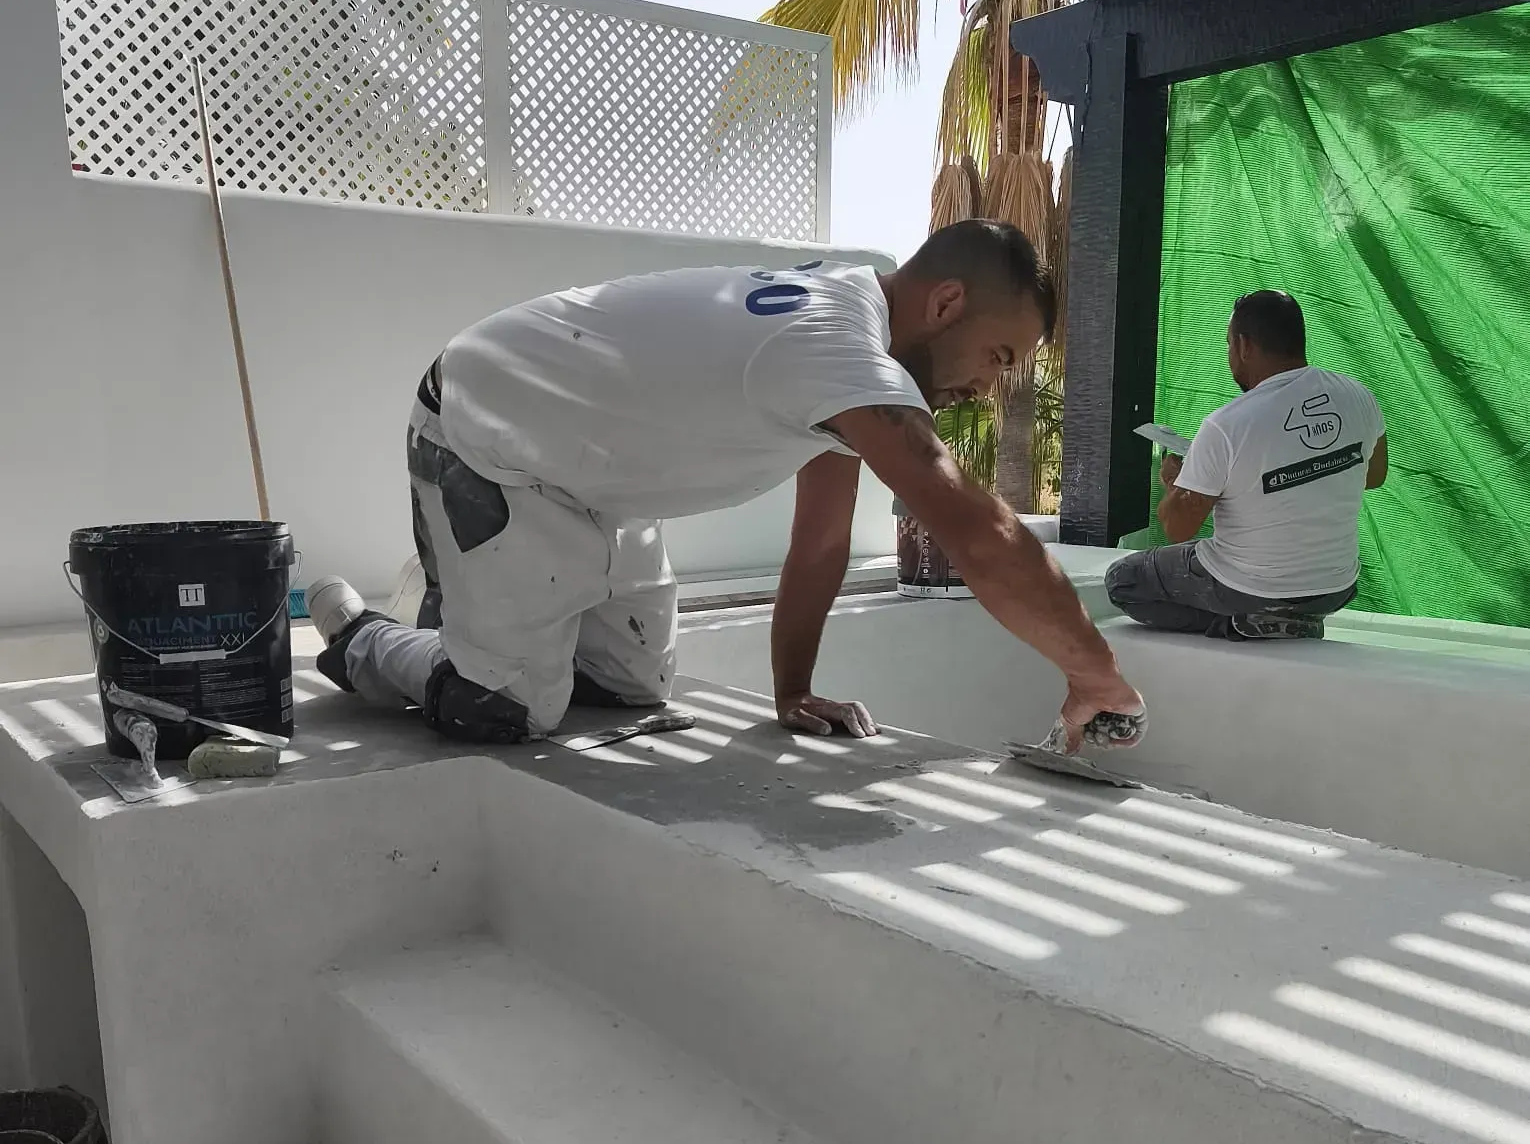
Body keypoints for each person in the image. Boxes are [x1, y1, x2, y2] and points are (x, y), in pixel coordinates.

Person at [307, 220, 1144, 751]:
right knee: (505, 710)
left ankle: (480, 616)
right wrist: (1098, 676)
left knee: (628, 689)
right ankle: (364, 641)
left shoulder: (850, 349)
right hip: (481, 431)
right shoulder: (836, 345)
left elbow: (818, 545)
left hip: (591, 479)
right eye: (999, 357)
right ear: (948, 301)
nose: (990, 387)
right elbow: (979, 533)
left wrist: (792, 691)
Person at [1106, 290, 1388, 640]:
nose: (1229, 356)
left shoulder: (1227, 425)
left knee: (1124, 580)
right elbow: (1374, 475)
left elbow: (1178, 528)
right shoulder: (1357, 395)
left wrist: (1178, 483)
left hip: (1249, 588)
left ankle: (1246, 622)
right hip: (1335, 588)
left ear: (1242, 345)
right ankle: (1290, 618)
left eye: (1228, 345)